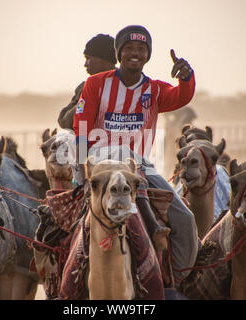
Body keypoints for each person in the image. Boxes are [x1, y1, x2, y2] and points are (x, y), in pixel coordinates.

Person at [73, 25, 199, 286]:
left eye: (141, 49)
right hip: (100, 164)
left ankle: (179, 279)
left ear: (147, 55)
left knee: (185, 218)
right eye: (129, 48)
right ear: (119, 53)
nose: (135, 53)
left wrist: (186, 77)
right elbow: (82, 125)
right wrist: (81, 169)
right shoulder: (96, 84)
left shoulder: (154, 90)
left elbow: (181, 96)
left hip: (139, 168)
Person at [57, 34, 117, 129]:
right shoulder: (85, 87)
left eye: (88, 58)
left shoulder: (125, 86)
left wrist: (89, 96)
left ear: (103, 59)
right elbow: (63, 120)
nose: (85, 64)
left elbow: (66, 122)